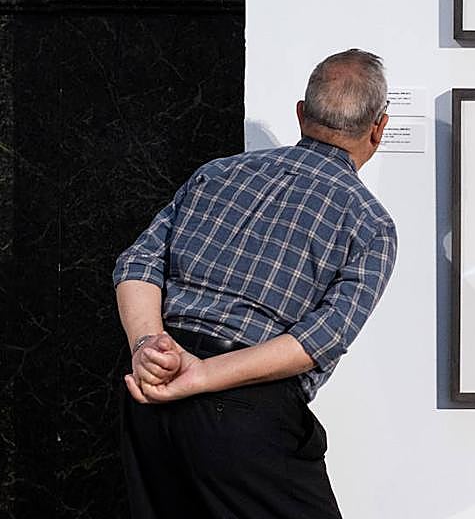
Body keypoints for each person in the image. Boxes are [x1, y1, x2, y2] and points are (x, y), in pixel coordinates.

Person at [113, 49, 398, 519]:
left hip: (150, 395)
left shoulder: (216, 173)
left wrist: (149, 344)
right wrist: (200, 375)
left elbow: (138, 263)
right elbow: (319, 339)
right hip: (241, 410)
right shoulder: (369, 223)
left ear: (302, 114)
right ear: (378, 128)